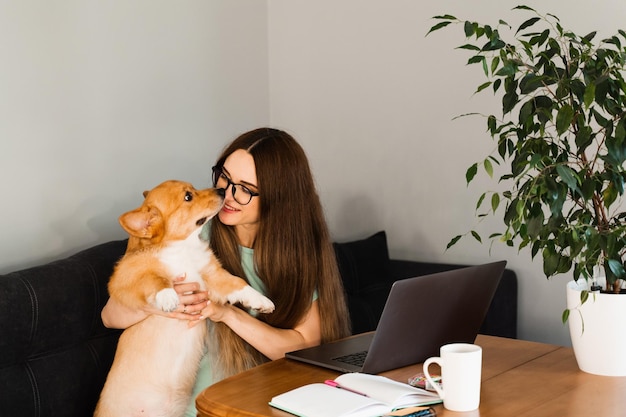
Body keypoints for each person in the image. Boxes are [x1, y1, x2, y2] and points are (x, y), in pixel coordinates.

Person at [101, 127, 351, 416]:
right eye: (224, 177)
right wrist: (161, 302)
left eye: (245, 189)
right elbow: (110, 316)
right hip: (193, 407)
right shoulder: (191, 231)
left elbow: (305, 347)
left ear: (279, 198)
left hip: (259, 405)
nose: (226, 194)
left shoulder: (296, 255)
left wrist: (227, 313)